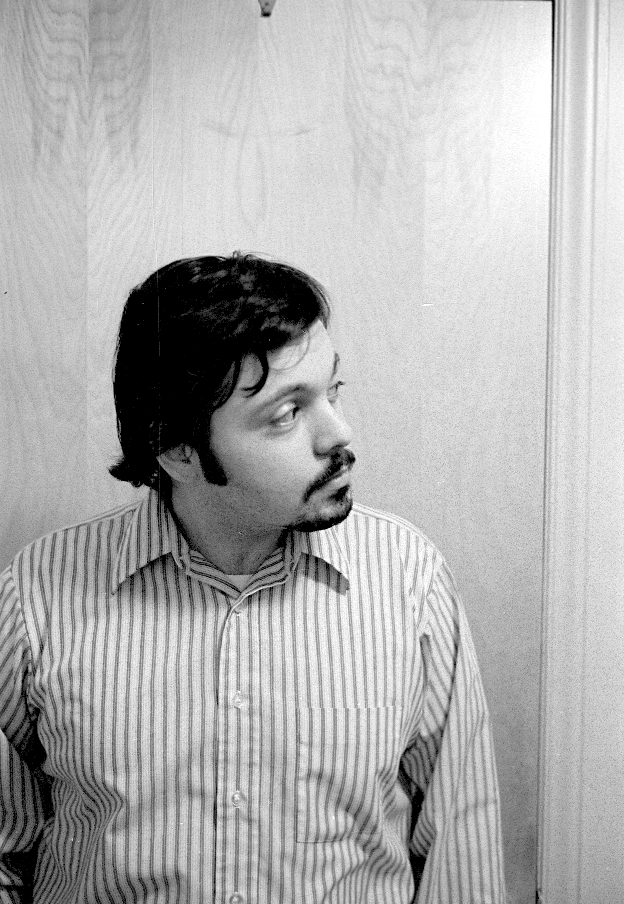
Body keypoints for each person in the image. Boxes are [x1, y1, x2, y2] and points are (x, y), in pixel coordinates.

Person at [0, 253, 507, 903]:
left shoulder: (409, 580)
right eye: (286, 413)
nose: (340, 434)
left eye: (332, 391)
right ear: (176, 447)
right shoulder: (39, 594)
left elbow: (461, 857)